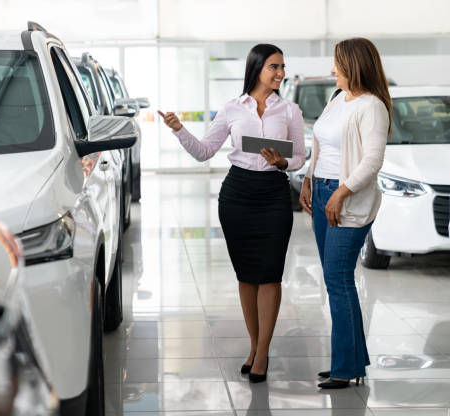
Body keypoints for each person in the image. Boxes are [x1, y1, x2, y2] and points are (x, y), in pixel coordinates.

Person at [158, 44, 305, 383]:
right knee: (246, 276)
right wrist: (179, 130)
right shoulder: (231, 110)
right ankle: (254, 347)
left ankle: (263, 353)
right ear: (256, 69)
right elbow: (205, 152)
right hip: (237, 195)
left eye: (282, 66)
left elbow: (299, 156)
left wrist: (283, 162)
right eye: (274, 66)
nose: (280, 72)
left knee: (270, 274)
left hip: (273, 195)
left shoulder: (290, 111)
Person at [299, 38, 391, 389]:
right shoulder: (338, 99)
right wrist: (308, 178)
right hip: (321, 192)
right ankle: (350, 360)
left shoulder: (371, 107)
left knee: (338, 280)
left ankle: (345, 366)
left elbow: (372, 160)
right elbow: (319, 144)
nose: (332, 69)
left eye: (337, 63)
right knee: (336, 279)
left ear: (353, 65)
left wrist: (340, 192)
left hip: (347, 201)